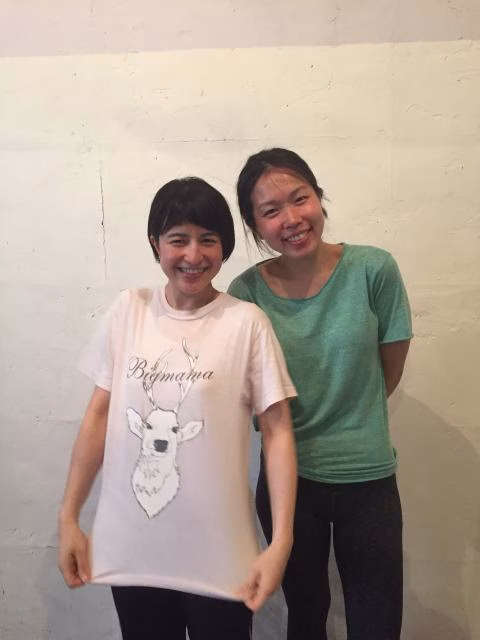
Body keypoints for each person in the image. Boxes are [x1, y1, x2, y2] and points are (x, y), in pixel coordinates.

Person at [57, 176, 297, 640]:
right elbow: (99, 416)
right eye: (178, 239)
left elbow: (278, 431)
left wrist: (281, 541)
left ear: (224, 246)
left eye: (208, 240)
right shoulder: (129, 310)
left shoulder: (246, 322)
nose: (193, 255)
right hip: (133, 551)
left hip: (221, 555)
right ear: (156, 243)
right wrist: (69, 516)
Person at [228, 148, 413, 640]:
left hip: (369, 479)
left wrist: (355, 414)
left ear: (318, 196)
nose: (291, 219)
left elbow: (388, 369)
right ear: (254, 224)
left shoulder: (374, 270)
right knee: (306, 619)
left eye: (300, 198)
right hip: (289, 486)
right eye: (270, 211)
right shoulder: (245, 294)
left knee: (377, 624)